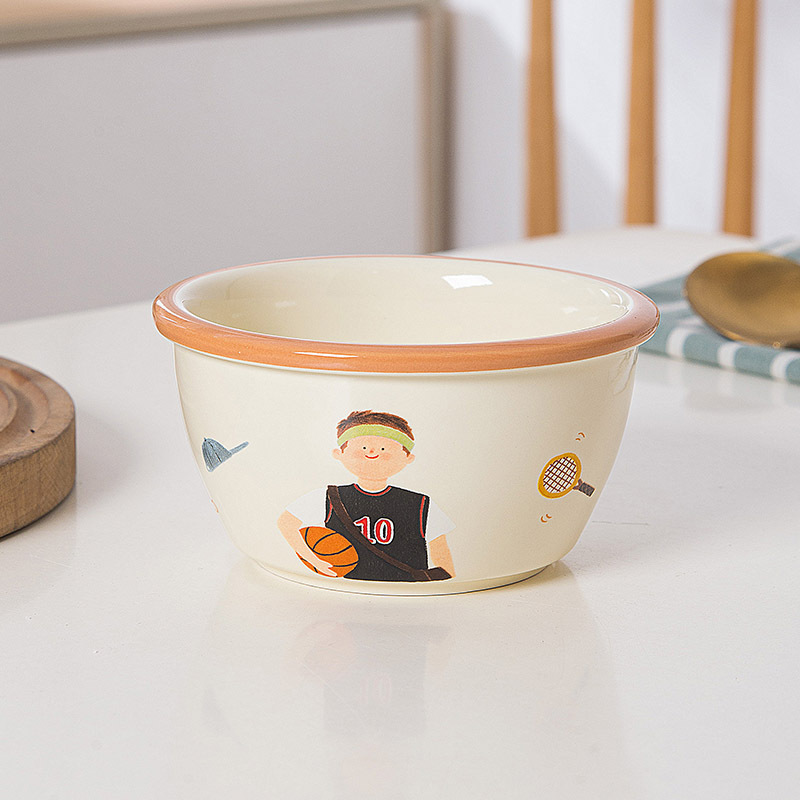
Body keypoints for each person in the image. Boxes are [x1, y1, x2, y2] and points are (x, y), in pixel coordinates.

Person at [278, 410, 455, 581]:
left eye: (384, 448)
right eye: (363, 447)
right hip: (346, 584)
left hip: (410, 586)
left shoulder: (420, 503)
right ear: (339, 454)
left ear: (408, 458)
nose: (372, 453)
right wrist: (314, 560)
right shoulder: (329, 496)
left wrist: (449, 579)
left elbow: (440, 548)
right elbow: (286, 523)